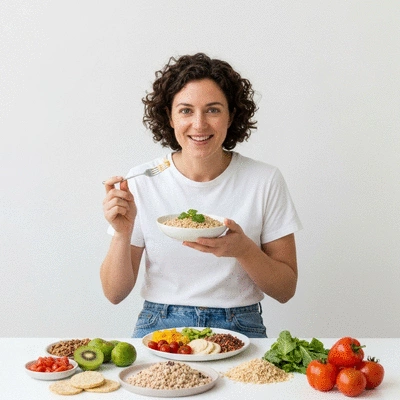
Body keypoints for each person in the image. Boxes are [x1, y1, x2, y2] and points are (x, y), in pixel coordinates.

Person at [101, 53, 302, 338]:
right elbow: (114, 293)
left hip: (241, 324)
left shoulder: (264, 180)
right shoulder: (142, 181)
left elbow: (286, 290)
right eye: (185, 110)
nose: (199, 124)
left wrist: (243, 250)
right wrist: (123, 233)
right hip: (160, 323)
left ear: (231, 115)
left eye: (213, 110)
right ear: (169, 116)